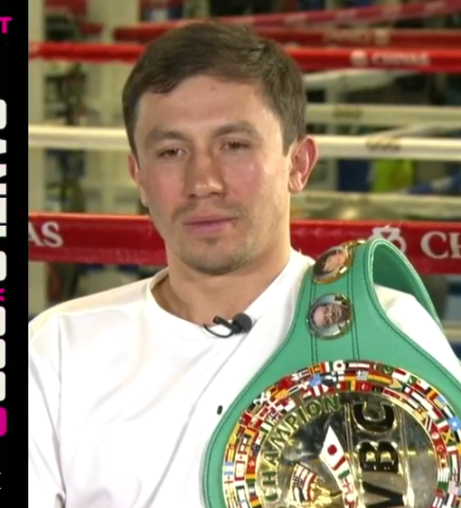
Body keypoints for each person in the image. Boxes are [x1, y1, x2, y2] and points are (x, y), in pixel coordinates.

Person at [27, 22, 461, 508]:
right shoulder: (59, 351)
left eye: (234, 145)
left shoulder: (382, 329)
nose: (202, 181)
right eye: (171, 152)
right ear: (140, 178)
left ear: (298, 164)